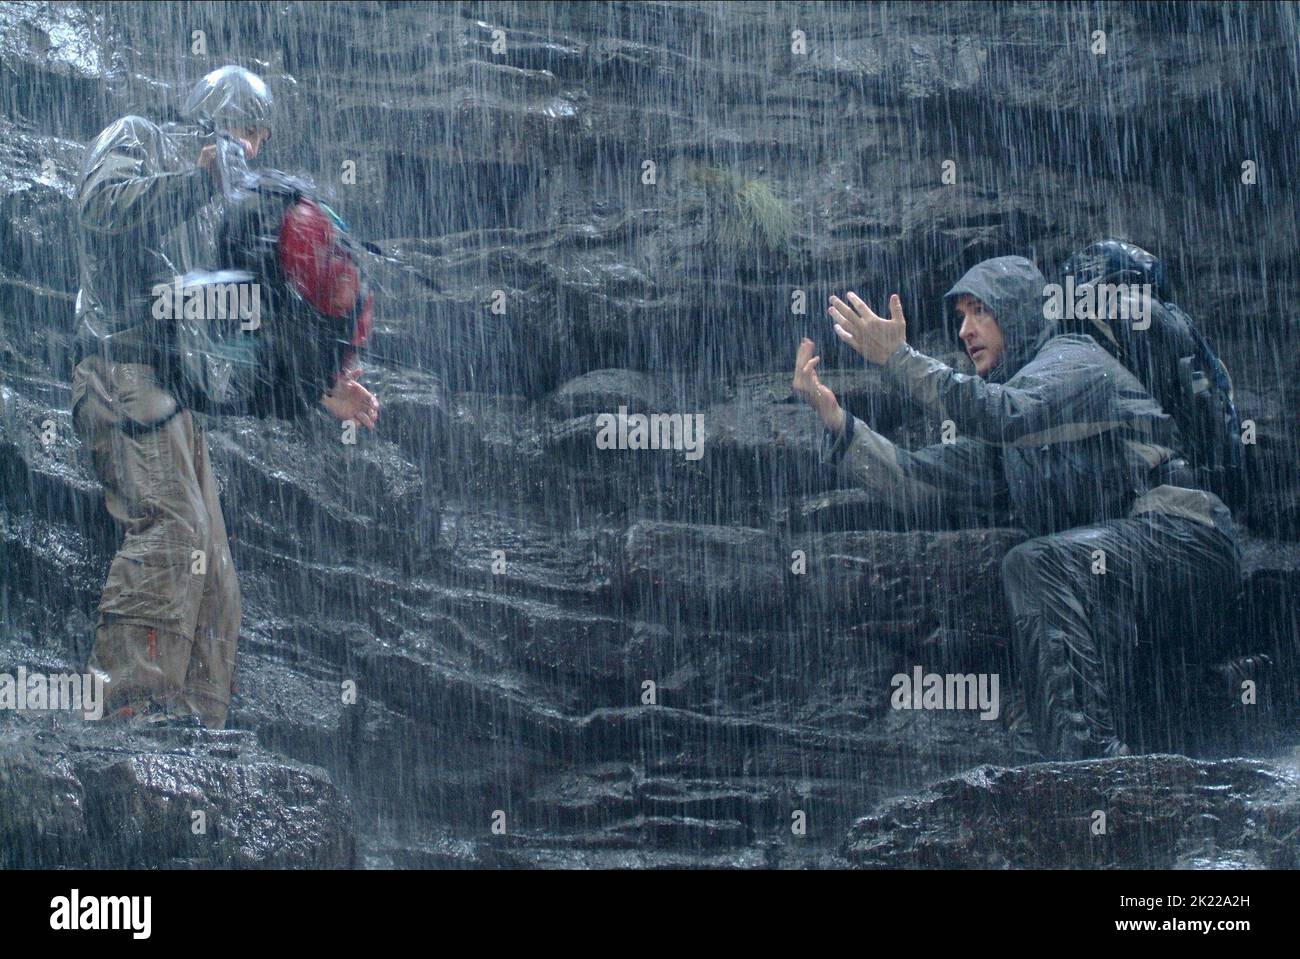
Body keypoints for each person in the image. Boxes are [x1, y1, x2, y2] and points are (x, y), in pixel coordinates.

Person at [792, 256, 1241, 759]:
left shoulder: (1074, 359)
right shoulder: (1013, 433)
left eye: (980, 310)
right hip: (1123, 574)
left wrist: (898, 358)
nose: (965, 330)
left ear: (1021, 311)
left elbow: (1004, 415)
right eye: (961, 316)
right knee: (1048, 579)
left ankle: (1089, 763)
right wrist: (836, 421)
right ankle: (1166, 724)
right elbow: (916, 483)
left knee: (1034, 563)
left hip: (1186, 537)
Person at [70, 65, 378, 728]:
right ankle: (126, 712)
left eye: (258, 136)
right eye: (242, 128)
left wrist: (317, 386)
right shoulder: (139, 139)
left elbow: (221, 335)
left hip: (174, 393)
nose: (251, 147)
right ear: (208, 115)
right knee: (174, 529)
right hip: (120, 372)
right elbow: (101, 209)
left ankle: (196, 734)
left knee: (217, 579)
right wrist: (197, 177)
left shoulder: (222, 208)